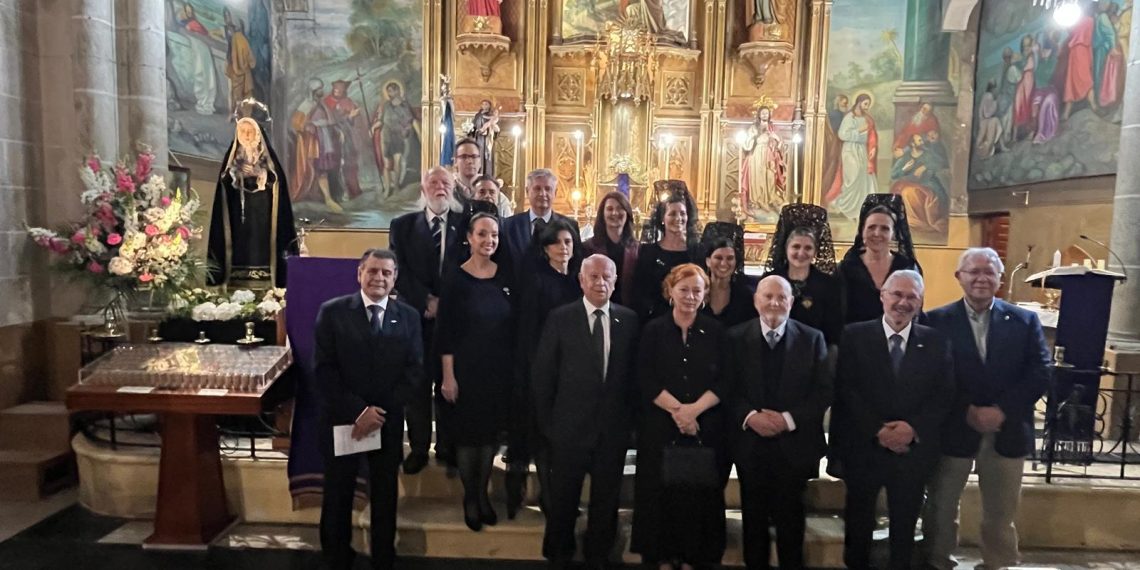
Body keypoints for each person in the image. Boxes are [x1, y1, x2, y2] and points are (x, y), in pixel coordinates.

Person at [921, 248, 1050, 570]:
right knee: (942, 505)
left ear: (1000, 278)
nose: (981, 278)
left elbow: (1040, 371)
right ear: (959, 277)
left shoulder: (1024, 320)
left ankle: (998, 563)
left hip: (1006, 430)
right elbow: (931, 375)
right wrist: (966, 410)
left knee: (1002, 511)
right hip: (955, 426)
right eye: (974, 271)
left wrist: (1003, 410)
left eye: (989, 272)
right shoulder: (935, 321)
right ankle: (938, 561)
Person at [833, 270, 954, 570]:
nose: (903, 302)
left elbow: (944, 394)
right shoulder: (854, 335)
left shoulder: (936, 341)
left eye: (911, 296)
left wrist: (911, 429)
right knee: (858, 522)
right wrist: (878, 430)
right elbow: (846, 389)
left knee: (905, 524)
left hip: (911, 450)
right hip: (865, 446)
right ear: (882, 296)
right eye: (897, 294)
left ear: (921, 301)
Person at [314, 249, 423, 570]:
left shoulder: (408, 316)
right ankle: (336, 555)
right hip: (343, 420)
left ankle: (383, 556)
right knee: (338, 493)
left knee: (385, 494)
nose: (379, 278)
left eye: (386, 273)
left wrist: (378, 413)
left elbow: (414, 371)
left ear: (395, 278)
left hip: (386, 422)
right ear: (360, 274)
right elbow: (324, 369)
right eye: (373, 271)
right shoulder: (333, 313)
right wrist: (359, 412)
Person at [533, 254, 640, 570]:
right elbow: (543, 375)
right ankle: (558, 554)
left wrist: (629, 426)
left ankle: (598, 555)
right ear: (581, 280)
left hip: (612, 431)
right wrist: (550, 426)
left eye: (607, 277)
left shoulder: (629, 320)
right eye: (593, 276)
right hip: (568, 429)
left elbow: (634, 378)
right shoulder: (560, 318)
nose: (600, 282)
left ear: (615, 280)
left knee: (606, 502)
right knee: (564, 500)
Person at [725, 275, 831, 570]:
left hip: (793, 446)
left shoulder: (812, 338)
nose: (774, 303)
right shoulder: (735, 337)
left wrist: (787, 420)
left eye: (781, 297)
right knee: (753, 520)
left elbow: (822, 391)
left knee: (791, 521)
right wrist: (751, 417)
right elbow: (727, 388)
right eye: (768, 296)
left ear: (791, 302)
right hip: (750, 444)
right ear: (756, 300)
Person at [631, 263, 728, 570]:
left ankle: (692, 557)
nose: (690, 296)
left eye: (696, 291)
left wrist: (694, 411)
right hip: (660, 425)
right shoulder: (653, 329)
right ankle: (660, 555)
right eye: (683, 289)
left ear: (705, 295)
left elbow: (726, 380)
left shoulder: (716, 331)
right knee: (659, 493)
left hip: (704, 424)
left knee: (697, 495)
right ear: (670, 291)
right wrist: (678, 411)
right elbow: (644, 377)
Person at [436, 212, 515, 531]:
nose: (489, 241)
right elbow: (445, 331)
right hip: (465, 370)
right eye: (482, 234)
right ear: (469, 237)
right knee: (469, 438)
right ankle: (471, 498)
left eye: (494, 235)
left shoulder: (506, 275)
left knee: (489, 437)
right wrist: (448, 375)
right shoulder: (455, 277)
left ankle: (482, 494)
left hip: (497, 370)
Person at [388, 166, 464, 475]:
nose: (440, 187)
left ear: (453, 188)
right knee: (416, 386)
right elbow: (397, 269)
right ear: (424, 189)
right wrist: (426, 300)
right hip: (415, 319)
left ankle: (447, 446)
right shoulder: (403, 226)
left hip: (453, 318)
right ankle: (419, 447)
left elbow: (471, 267)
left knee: (449, 385)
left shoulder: (466, 224)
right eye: (433, 182)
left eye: (445, 182)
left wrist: (445, 303)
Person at [508, 218, 583, 518]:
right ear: (546, 248)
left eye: (568, 242)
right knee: (542, 435)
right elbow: (528, 330)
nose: (563, 248)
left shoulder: (578, 279)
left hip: (573, 369)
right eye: (557, 243)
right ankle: (548, 497)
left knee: (566, 438)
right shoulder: (536, 279)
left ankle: (562, 497)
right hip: (543, 368)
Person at [207, 117, 298, 289]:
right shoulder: (233, 157)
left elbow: (277, 183)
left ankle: (267, 283)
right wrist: (236, 174)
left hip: (263, 215)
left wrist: (259, 173)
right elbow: (224, 185)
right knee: (241, 247)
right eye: (243, 132)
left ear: (257, 134)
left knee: (261, 246)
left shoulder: (268, 158)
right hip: (239, 219)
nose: (247, 135)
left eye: (250, 132)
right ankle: (235, 281)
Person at [762, 204, 844, 347]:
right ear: (786, 248)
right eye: (796, 247)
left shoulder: (828, 285)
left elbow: (833, 332)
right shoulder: (770, 280)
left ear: (815, 252)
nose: (801, 253)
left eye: (808, 248)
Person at [837, 195, 921, 324]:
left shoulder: (907, 266)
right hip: (854, 340)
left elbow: (915, 311)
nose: (877, 233)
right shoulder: (846, 268)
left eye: (885, 228)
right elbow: (838, 314)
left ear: (893, 234)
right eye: (871, 227)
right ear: (862, 231)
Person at [632, 181, 699, 322]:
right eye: (672, 214)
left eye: (682, 213)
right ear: (662, 219)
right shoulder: (648, 252)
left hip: (691, 318)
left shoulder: (698, 251)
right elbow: (640, 292)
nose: (678, 218)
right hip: (656, 322)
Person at [501, 168, 580, 281]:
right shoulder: (509, 225)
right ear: (527, 191)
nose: (543, 193)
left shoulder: (570, 226)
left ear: (555, 193)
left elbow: (575, 265)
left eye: (548, 189)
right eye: (537, 188)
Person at [825, 93, 878, 221]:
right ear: (859, 103)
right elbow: (842, 135)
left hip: (861, 150)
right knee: (852, 177)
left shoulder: (868, 119)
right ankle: (844, 205)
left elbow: (872, 135)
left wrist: (873, 147)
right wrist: (859, 131)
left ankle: (859, 209)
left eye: (868, 105)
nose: (867, 107)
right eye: (865, 104)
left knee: (864, 177)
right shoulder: (849, 117)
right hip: (849, 150)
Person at [583, 191, 640, 307]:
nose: (615, 213)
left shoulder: (638, 249)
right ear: (602, 214)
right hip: (596, 309)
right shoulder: (587, 247)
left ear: (627, 213)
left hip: (629, 311)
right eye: (609, 209)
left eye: (620, 208)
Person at [701, 223, 757, 328]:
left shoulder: (746, 295)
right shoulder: (696, 291)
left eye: (730, 258)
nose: (724, 263)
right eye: (718, 257)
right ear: (708, 261)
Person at [371, 81, 422, 195]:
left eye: (392, 90)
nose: (390, 93)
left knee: (397, 163)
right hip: (387, 136)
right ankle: (388, 187)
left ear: (398, 91)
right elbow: (380, 120)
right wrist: (373, 128)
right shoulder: (385, 106)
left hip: (399, 137)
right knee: (387, 164)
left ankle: (397, 185)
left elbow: (412, 121)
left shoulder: (405, 106)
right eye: (388, 91)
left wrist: (419, 134)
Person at [739, 106, 788, 218]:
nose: (765, 115)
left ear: (769, 115)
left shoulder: (773, 128)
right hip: (756, 155)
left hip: (769, 156)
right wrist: (755, 136)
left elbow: (780, 145)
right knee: (757, 179)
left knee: (770, 177)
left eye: (767, 113)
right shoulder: (754, 128)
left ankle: (770, 201)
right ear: (759, 115)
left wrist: (775, 138)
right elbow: (747, 145)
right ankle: (757, 201)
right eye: (763, 113)